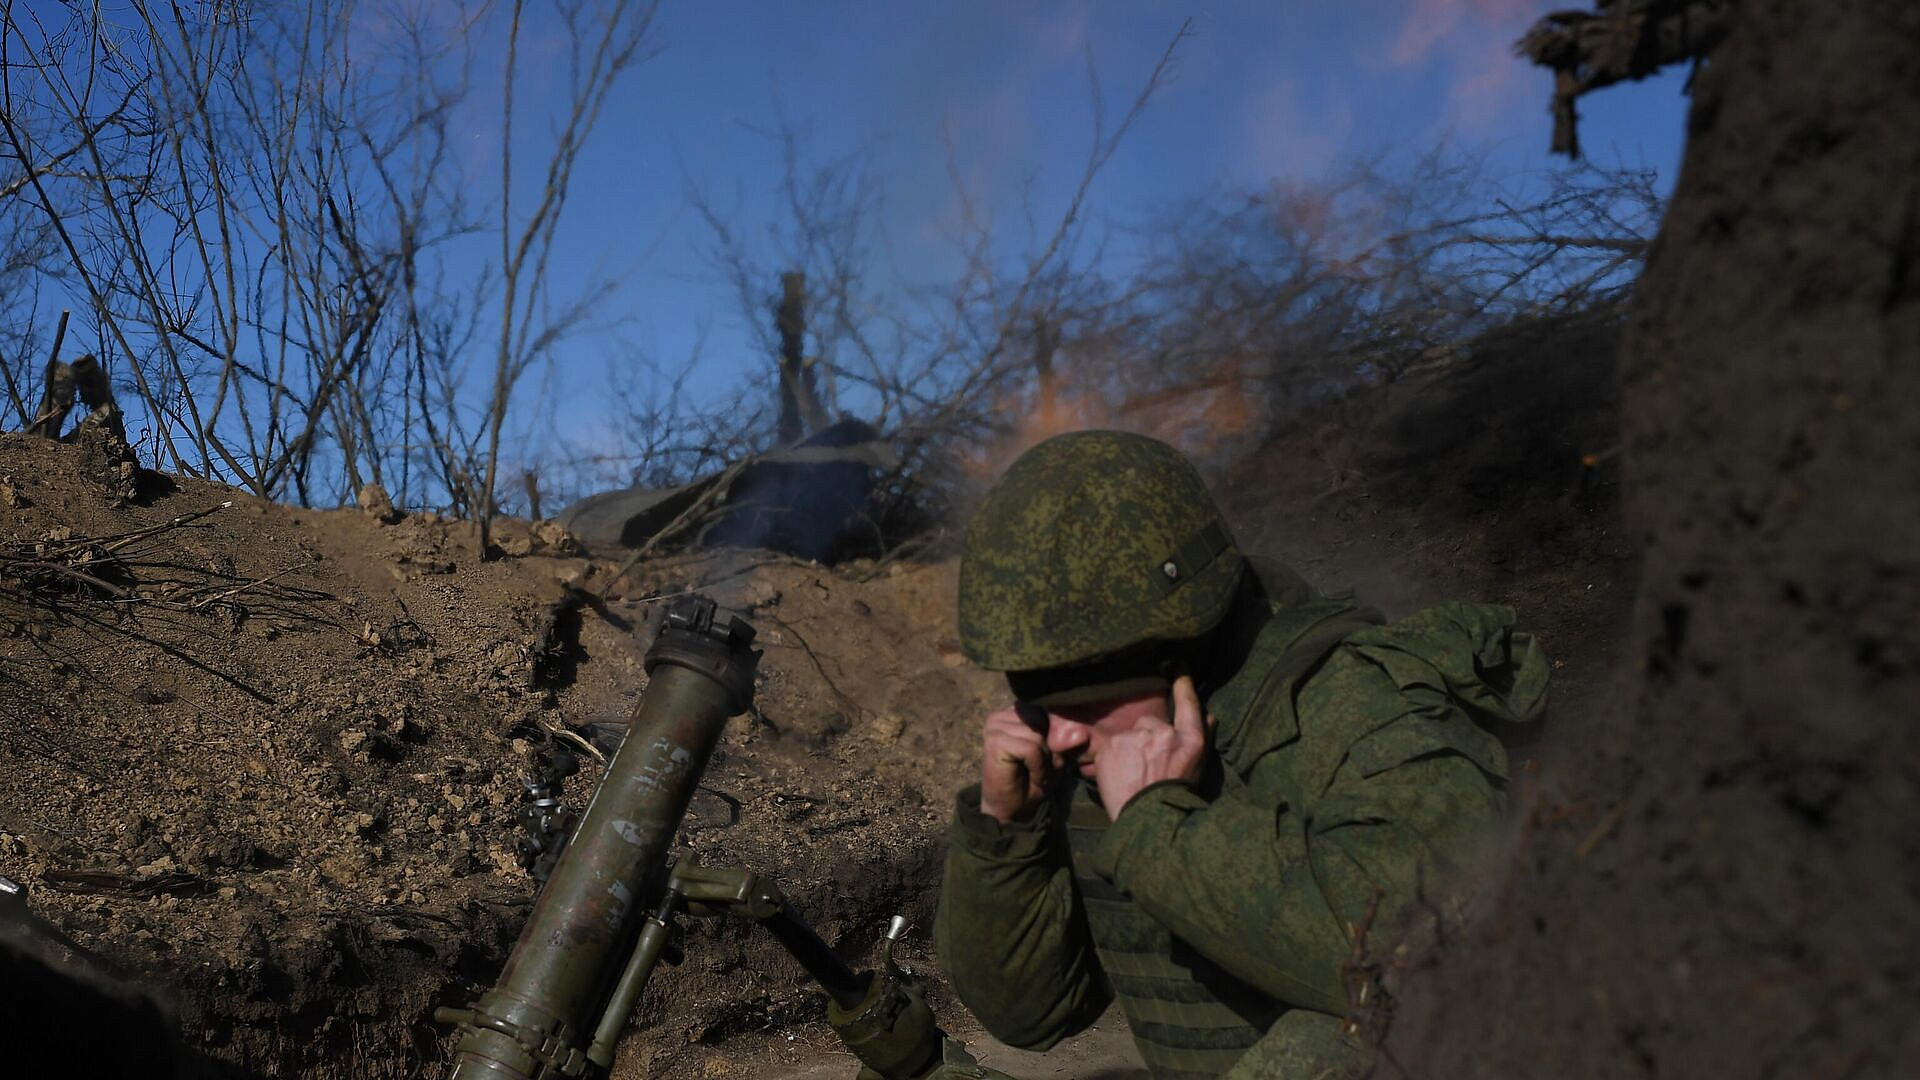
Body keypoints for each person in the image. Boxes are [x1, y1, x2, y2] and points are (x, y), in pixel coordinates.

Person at [934, 430, 1549, 1079]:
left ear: (1181, 650)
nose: (1058, 735)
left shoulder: (1358, 710)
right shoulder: (1094, 749)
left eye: (1090, 698)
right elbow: (1033, 1016)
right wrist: (1007, 837)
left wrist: (1160, 828)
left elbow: (1413, 972)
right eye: (1035, 696)